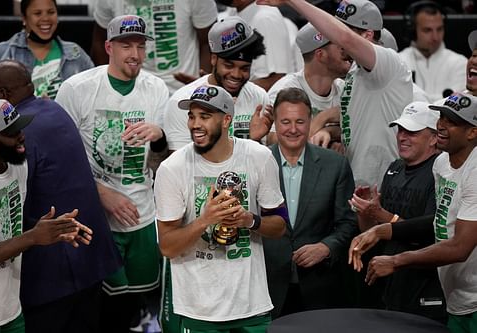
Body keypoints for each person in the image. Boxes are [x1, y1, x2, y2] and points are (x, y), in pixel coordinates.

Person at [0, 59, 122, 333]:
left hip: (52, 275)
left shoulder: (16, 135)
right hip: (89, 262)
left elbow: (11, 204)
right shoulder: (53, 108)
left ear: (3, 96)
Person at [55, 15, 169, 333]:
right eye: (126, 45)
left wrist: (158, 134)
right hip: (96, 216)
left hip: (143, 213)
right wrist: (102, 194)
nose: (134, 54)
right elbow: (60, 159)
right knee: (103, 305)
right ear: (108, 47)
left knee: (140, 301)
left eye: (140, 46)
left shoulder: (157, 88)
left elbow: (165, 160)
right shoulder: (77, 89)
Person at [154, 84, 288, 332]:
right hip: (198, 310)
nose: (195, 124)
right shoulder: (172, 168)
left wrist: (249, 220)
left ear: (227, 120)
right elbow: (167, 246)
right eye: (192, 116)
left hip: (252, 305)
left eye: (205, 117)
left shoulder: (259, 157)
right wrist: (205, 220)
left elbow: (280, 225)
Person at [350, 91, 477, 333]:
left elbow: (460, 247)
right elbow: (439, 221)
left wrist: (397, 261)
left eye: (452, 122)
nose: (441, 125)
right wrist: (381, 230)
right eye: (441, 117)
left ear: (472, 132)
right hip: (456, 295)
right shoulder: (442, 164)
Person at [258, 0, 413, 188]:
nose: (337, 40)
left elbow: (345, 38)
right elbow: (357, 125)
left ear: (368, 35)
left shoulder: (388, 62)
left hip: (382, 185)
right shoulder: (355, 72)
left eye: (341, 31)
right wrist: (329, 130)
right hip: (356, 183)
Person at [0, 98, 92, 332]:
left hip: (10, 304)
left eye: (21, 128)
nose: (21, 137)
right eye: (11, 133)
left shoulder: (18, 164)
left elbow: (9, 225)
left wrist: (54, 230)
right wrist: (32, 238)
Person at [264, 87, 358, 317]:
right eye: (285, 122)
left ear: (310, 122)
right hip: (266, 287)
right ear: (275, 123)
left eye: (300, 121)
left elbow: (348, 222)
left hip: (320, 287)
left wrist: (326, 247)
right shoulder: (257, 162)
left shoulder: (336, 165)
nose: (293, 129)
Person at [349, 101, 446, 322]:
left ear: (433, 138)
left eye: (412, 132)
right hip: (387, 280)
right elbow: (374, 231)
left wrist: (382, 217)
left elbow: (431, 231)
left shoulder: (440, 172)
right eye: (401, 130)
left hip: (423, 281)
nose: (402, 137)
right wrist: (364, 210)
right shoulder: (395, 168)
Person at [164, 15, 268, 152]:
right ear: (213, 59)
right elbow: (178, 166)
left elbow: (265, 159)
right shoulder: (183, 101)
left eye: (244, 68)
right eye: (229, 66)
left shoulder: (259, 97)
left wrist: (255, 141)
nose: (236, 75)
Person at [0, 0, 93, 105]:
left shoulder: (75, 53)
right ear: (24, 18)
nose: (45, 18)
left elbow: (94, 90)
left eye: (51, 12)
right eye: (37, 13)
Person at [90, 0, 217, 94]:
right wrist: (110, 86)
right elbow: (101, 42)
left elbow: (209, 42)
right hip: (131, 90)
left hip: (183, 90)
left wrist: (202, 84)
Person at [267, 23, 351, 115]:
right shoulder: (283, 93)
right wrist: (324, 118)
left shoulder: (345, 90)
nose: (348, 51)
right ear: (321, 55)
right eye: (341, 47)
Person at [216, 0, 295, 91]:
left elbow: (274, 80)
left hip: (259, 102)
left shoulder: (265, 18)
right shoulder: (235, 12)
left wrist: (225, 94)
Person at [399, 1, 467, 102]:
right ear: (413, 31)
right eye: (427, 30)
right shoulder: (399, 61)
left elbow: (456, 104)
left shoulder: (461, 63)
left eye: (439, 29)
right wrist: (442, 98)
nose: (435, 37)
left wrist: (414, 99)